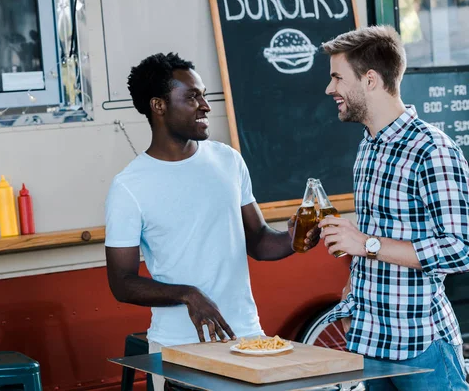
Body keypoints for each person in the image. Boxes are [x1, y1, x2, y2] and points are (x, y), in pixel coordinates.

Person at [104, 52, 318, 390]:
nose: (205, 105)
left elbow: (260, 241)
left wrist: (294, 239)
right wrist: (188, 294)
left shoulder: (228, 160)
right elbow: (122, 282)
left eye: (203, 94)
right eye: (192, 97)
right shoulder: (129, 186)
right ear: (158, 106)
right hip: (179, 350)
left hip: (247, 338)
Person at [319, 25, 469, 390]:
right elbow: (382, 231)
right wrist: (352, 295)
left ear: (370, 80)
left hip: (423, 347)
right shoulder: (368, 146)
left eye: (338, 78)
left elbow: (460, 248)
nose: (330, 89)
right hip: (371, 343)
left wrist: (365, 243)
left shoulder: (432, 150)